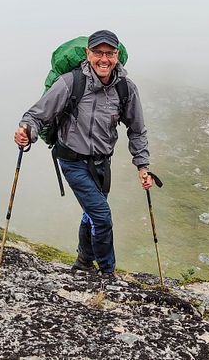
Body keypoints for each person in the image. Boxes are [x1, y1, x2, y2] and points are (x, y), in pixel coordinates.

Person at [14, 30, 153, 276]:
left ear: (117, 56)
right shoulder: (71, 82)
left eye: (109, 53)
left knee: (91, 214)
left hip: (102, 163)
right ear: (88, 54)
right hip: (71, 161)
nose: (104, 59)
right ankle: (108, 273)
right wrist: (27, 132)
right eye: (98, 53)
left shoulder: (125, 89)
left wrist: (143, 166)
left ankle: (84, 262)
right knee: (102, 216)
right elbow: (36, 115)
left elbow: (137, 129)